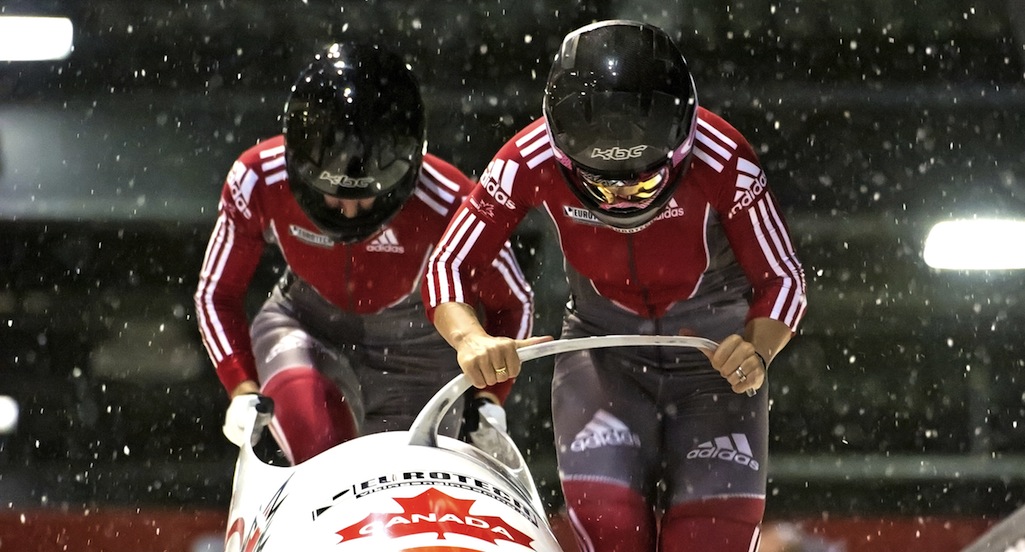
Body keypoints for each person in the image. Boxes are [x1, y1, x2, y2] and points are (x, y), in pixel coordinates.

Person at [424, 20, 807, 552]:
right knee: (613, 531)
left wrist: (758, 348)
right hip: (604, 358)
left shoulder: (725, 157)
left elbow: (782, 278)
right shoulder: (524, 160)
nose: (621, 201)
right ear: (562, 153)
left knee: (708, 540)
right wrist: (470, 339)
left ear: (680, 146)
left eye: (644, 182)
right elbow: (449, 264)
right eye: (599, 184)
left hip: (713, 365)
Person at [194, 42, 534, 465]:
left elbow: (513, 301)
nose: (348, 210)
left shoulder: (449, 201)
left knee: (407, 493)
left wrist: (488, 399)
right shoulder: (256, 178)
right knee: (317, 441)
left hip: (419, 354)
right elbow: (216, 293)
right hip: (306, 328)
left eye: (367, 196)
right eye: (331, 193)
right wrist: (241, 389)